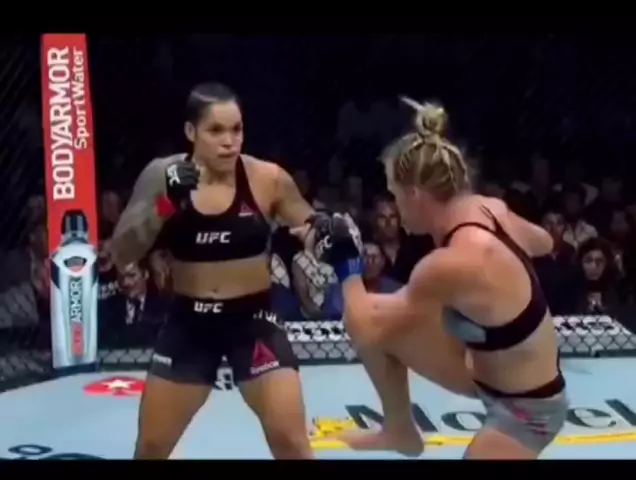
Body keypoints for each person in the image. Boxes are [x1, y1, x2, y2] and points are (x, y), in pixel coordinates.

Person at [306, 98, 568, 460]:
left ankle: (402, 430)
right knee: (383, 318)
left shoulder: (450, 263)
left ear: (414, 194)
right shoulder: (489, 208)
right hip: (486, 373)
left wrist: (345, 261)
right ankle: (400, 431)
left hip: (529, 411)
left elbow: (363, 323)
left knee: (368, 318)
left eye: (394, 194)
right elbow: (544, 242)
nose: (394, 206)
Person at [111, 82, 319, 459]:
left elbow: (311, 227)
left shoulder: (266, 178)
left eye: (236, 129)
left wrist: (329, 233)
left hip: (253, 322)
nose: (229, 142)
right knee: (151, 447)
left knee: (291, 441)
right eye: (216, 130)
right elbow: (122, 251)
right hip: (190, 325)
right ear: (191, 132)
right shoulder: (161, 175)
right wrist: (165, 205)